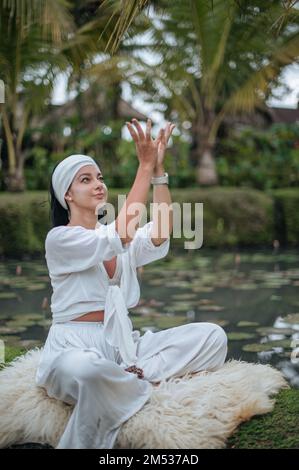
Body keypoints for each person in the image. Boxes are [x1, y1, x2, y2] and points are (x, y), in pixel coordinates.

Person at [35, 118, 228, 449]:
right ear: (67, 194)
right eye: (86, 180)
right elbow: (122, 233)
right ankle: (132, 383)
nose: (98, 185)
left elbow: (160, 231)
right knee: (88, 371)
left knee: (213, 337)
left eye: (100, 178)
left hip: (122, 346)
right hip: (73, 349)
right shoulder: (61, 239)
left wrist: (158, 173)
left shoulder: (113, 237)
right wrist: (143, 164)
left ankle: (127, 376)